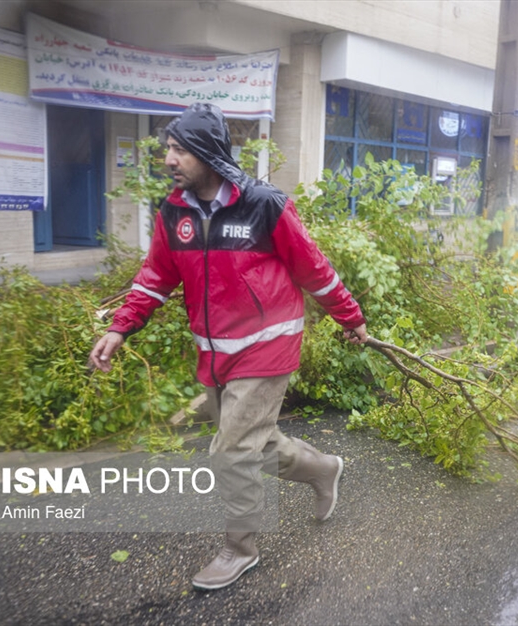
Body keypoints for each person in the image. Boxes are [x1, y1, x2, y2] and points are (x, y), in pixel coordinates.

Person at [88, 103, 368, 590]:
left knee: (232, 451)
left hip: (268, 345)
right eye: (168, 149)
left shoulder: (264, 205)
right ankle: (324, 470)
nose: (169, 159)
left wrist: (350, 315)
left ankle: (240, 549)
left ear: (207, 153)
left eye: (179, 150)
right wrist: (119, 328)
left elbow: (313, 268)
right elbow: (156, 277)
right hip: (217, 353)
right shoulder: (175, 212)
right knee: (257, 443)